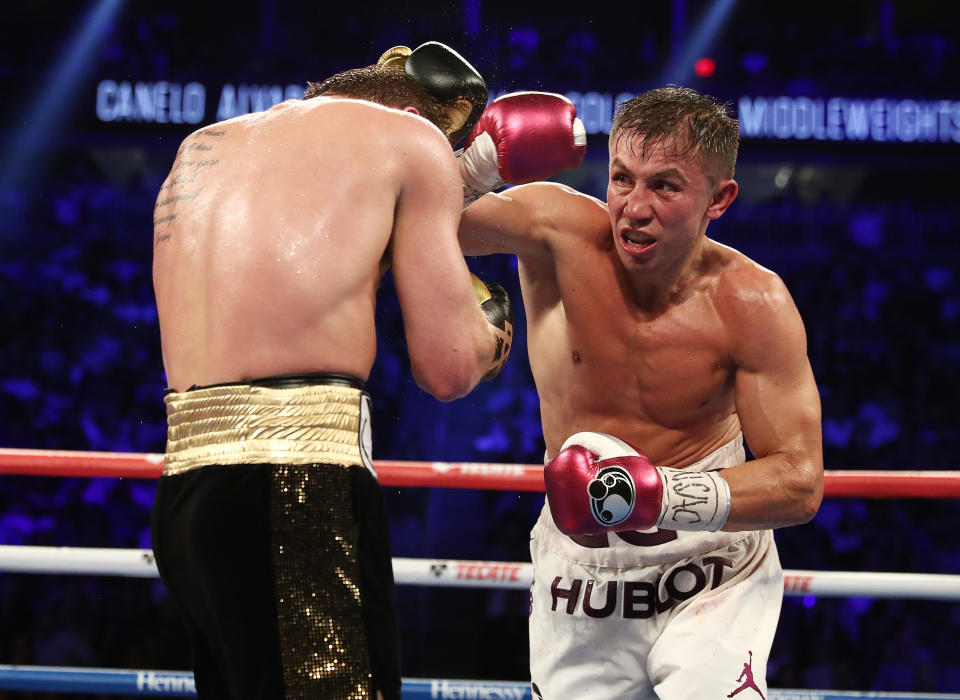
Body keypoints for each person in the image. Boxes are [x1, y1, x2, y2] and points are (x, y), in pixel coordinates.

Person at [150, 42, 584, 700]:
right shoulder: (412, 139)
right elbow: (447, 369)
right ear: (421, 116)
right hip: (299, 488)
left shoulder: (203, 147)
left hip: (185, 493)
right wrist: (491, 328)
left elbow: (308, 259)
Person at [459, 86, 824, 699]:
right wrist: (476, 167)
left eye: (666, 186)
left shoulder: (752, 303)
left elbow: (800, 482)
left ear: (720, 199)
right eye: (622, 179)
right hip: (583, 571)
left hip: (713, 562)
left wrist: (655, 496)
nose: (634, 207)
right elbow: (403, 217)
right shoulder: (558, 232)